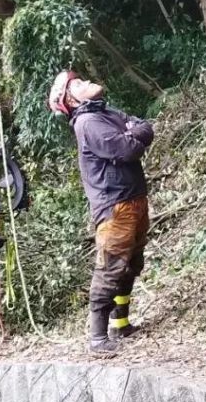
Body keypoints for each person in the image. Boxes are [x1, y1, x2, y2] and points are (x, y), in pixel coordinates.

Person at [48, 70, 154, 355]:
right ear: (71, 100)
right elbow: (128, 149)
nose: (85, 81)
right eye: (77, 84)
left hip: (134, 200)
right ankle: (97, 338)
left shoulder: (105, 112)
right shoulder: (88, 122)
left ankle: (121, 324)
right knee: (110, 269)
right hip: (115, 206)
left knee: (131, 265)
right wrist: (131, 133)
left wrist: (132, 132)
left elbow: (145, 128)